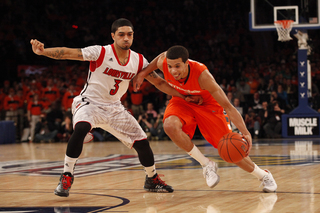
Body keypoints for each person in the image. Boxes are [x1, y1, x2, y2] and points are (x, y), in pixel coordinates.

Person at [30, 18, 200, 197]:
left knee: (142, 142)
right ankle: (67, 175)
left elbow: (159, 82)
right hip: (90, 102)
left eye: (129, 34)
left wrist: (183, 96)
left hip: (115, 107)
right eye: (121, 34)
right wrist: (43, 52)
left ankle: (152, 179)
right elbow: (68, 53)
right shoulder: (100, 52)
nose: (126, 38)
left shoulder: (138, 59)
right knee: (81, 128)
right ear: (113, 36)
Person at [133, 45, 277, 192]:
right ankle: (206, 164)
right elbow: (160, 64)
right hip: (183, 100)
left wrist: (245, 132)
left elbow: (228, 106)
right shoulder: (163, 62)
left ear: (186, 63)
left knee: (230, 150)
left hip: (209, 105)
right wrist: (143, 73)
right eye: (170, 66)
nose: (173, 71)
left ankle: (264, 175)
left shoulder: (203, 76)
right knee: (169, 126)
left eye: (177, 66)